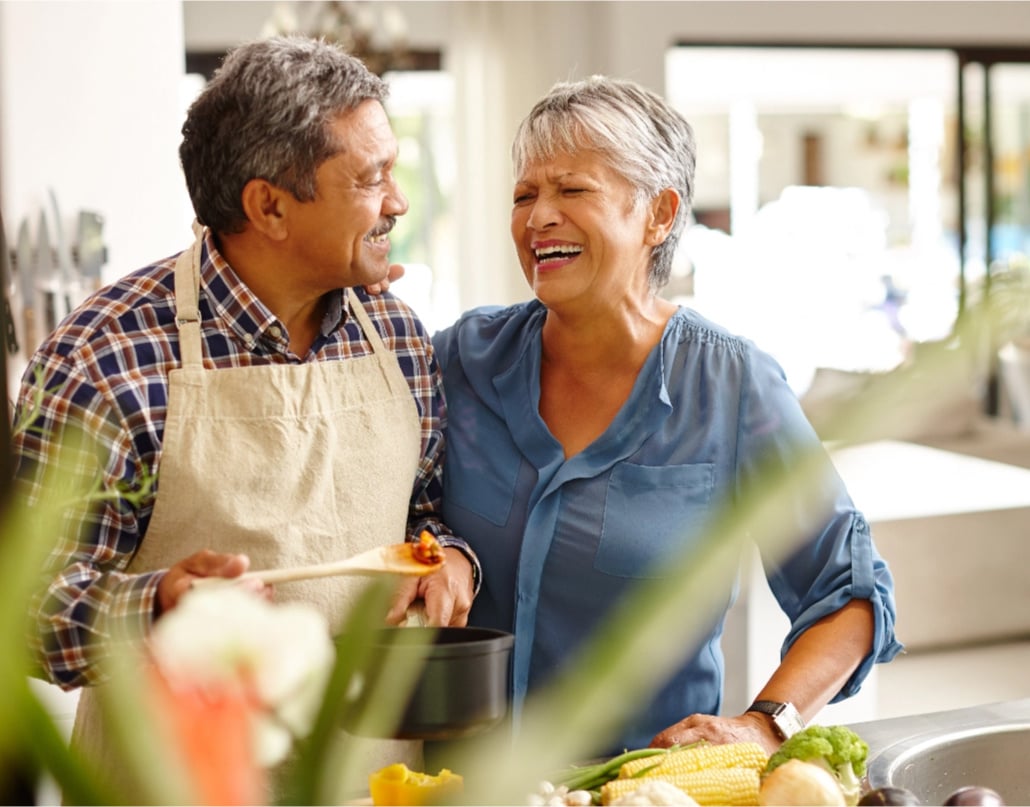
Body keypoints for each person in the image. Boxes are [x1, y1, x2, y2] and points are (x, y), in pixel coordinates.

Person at [12, 35, 478, 788]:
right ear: (269, 206)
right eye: (371, 178)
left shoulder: (397, 335)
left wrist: (449, 558)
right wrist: (157, 605)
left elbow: (423, 516)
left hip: (370, 782)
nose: (398, 201)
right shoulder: (106, 356)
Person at [431, 76, 902, 756]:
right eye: (524, 195)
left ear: (658, 214)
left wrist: (765, 724)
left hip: (643, 792)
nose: (538, 218)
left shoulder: (732, 384)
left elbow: (851, 593)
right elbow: (391, 498)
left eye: (572, 190)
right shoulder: (462, 360)